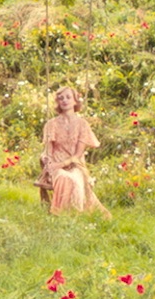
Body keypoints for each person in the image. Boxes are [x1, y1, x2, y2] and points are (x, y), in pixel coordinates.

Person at [36, 86, 107, 215]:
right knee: (63, 177)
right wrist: (47, 159)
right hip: (56, 163)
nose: (64, 100)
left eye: (68, 97)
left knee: (74, 179)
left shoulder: (82, 124)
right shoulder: (51, 124)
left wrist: (61, 164)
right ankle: (60, 214)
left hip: (75, 164)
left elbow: (77, 155)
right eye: (61, 98)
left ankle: (74, 213)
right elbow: (48, 150)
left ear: (75, 101)